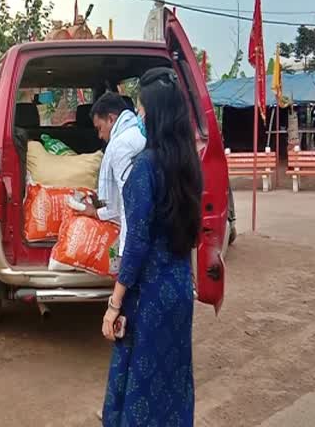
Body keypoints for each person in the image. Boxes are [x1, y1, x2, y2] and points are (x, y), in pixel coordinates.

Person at [100, 68, 203, 426]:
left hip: (148, 295)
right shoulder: (190, 165)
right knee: (173, 383)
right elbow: (192, 234)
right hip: (178, 292)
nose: (139, 117)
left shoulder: (144, 167)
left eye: (141, 110)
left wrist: (114, 304)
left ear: (153, 114)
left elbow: (137, 243)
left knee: (138, 387)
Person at [78, 91, 146, 276]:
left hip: (135, 237)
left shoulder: (120, 146)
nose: (100, 136)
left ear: (111, 119)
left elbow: (126, 202)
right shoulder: (136, 135)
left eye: (99, 128)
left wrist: (125, 254)